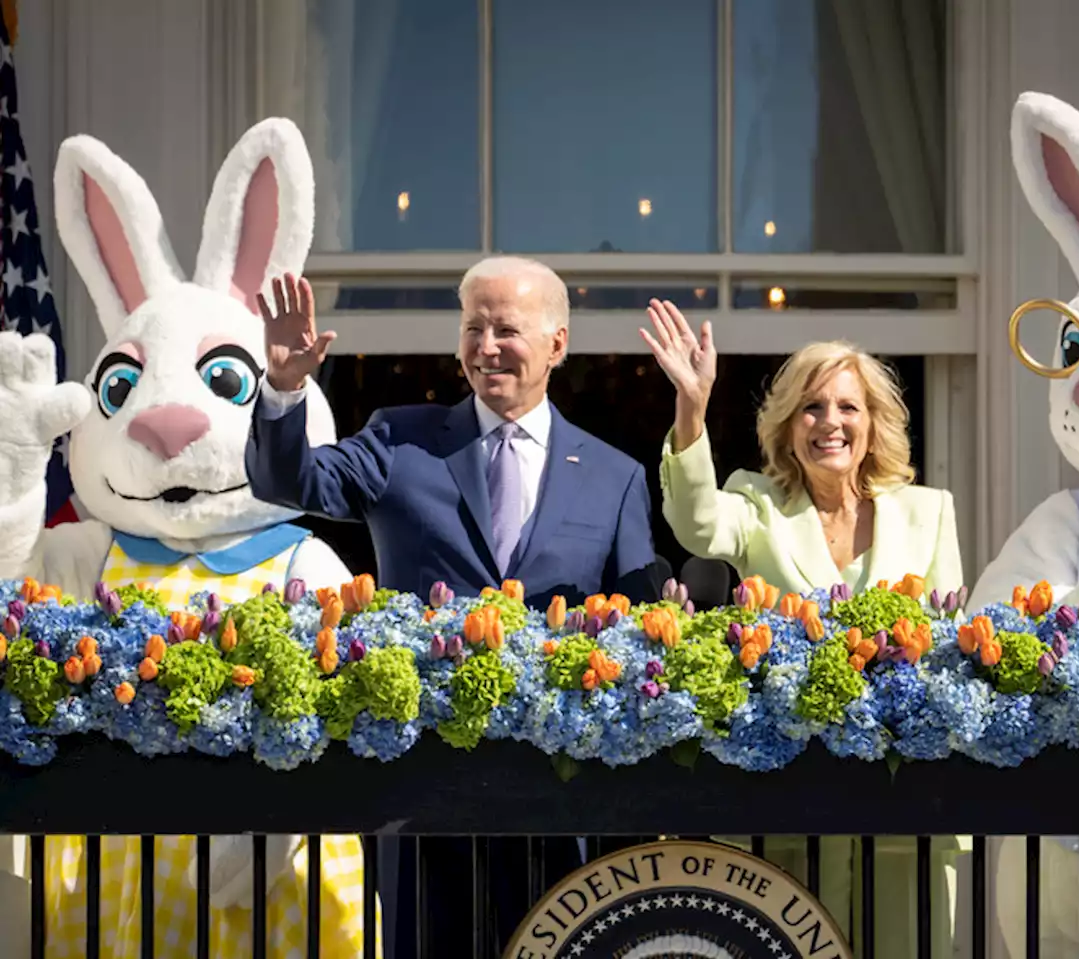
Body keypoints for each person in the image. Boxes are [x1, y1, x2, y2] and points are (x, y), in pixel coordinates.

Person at [245, 256, 661, 954]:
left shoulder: (615, 477)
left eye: (507, 328)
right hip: (422, 790)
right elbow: (290, 481)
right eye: (473, 327)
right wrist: (285, 389)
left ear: (557, 343)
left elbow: (642, 622)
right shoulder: (400, 440)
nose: (486, 345)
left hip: (553, 794)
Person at [642, 298, 965, 952]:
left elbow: (949, 644)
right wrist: (692, 406)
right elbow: (696, 522)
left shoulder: (928, 513)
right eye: (812, 408)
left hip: (898, 803)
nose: (830, 422)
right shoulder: (757, 503)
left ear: (873, 422)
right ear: (789, 426)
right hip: (785, 800)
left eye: (847, 406)